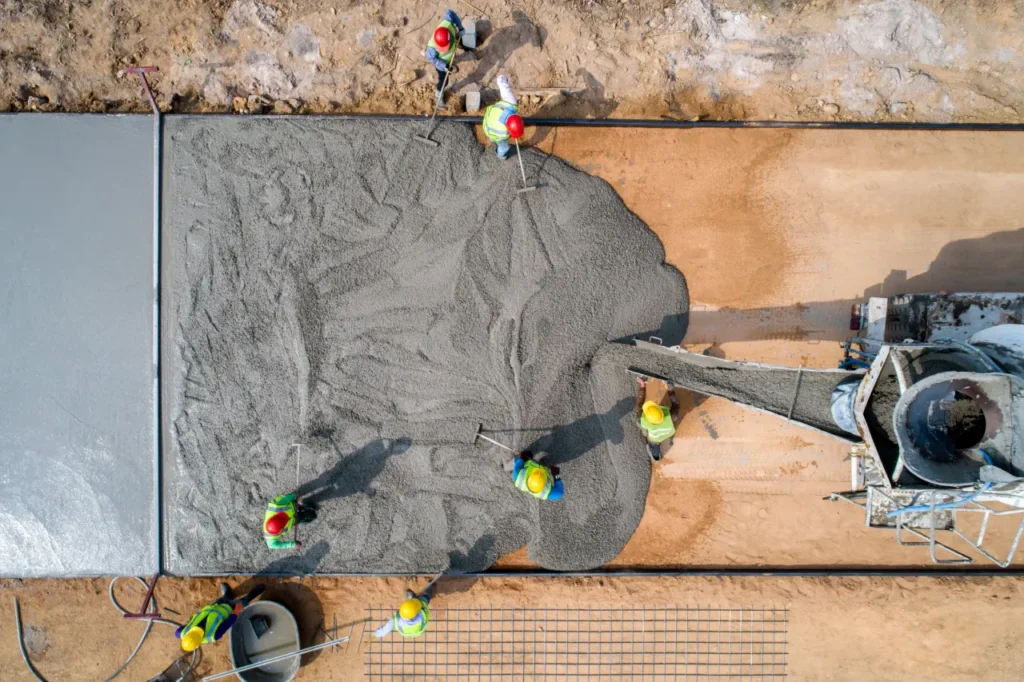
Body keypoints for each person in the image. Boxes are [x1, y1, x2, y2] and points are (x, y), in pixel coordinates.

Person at [176, 583, 264, 652]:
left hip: (214, 606)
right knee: (243, 601)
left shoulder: (182, 633)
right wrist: (236, 612)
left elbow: (177, 633)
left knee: (222, 599)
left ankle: (227, 595)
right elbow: (228, 623)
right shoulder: (213, 635)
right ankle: (257, 591)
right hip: (228, 609)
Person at [425, 9, 475, 106]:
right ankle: (438, 95)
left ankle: (451, 64)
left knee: (453, 53)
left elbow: (450, 12)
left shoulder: (447, 23)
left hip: (451, 49)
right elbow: (433, 59)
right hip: (442, 63)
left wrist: (460, 28)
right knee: (444, 80)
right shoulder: (431, 49)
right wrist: (444, 66)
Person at [636, 376, 680, 462]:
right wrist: (670, 390)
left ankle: (656, 457)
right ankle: (655, 455)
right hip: (667, 432)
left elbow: (639, 403)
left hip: (655, 438)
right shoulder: (671, 417)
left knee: (653, 445)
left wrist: (642, 386)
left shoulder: (643, 420)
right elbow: (676, 404)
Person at [482, 74, 524, 159]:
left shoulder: (510, 103)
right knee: (504, 147)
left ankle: (492, 140)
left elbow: (502, 84)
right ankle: (501, 156)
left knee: (492, 137)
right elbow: (505, 136)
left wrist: (503, 79)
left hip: (486, 125)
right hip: (493, 133)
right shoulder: (504, 133)